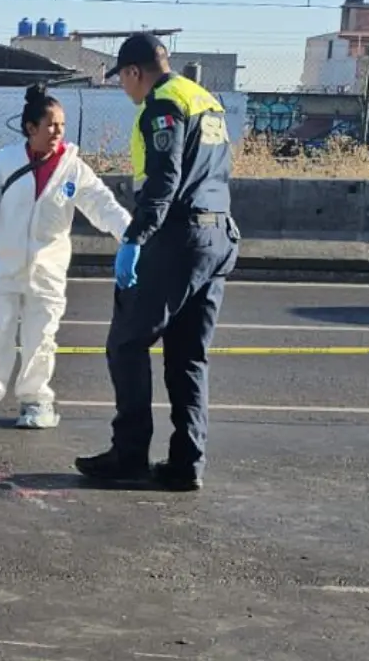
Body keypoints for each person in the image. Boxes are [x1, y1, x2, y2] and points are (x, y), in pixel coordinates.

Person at [75, 33, 241, 492]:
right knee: (188, 357)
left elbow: (164, 179)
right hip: (219, 233)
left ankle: (129, 454)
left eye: (122, 80)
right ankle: (187, 463)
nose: (124, 90)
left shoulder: (161, 105)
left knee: (126, 344)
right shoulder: (205, 99)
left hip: (178, 237)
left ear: (134, 72)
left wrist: (135, 236)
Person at [0, 84, 131, 430]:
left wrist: (133, 237)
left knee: (41, 337)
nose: (58, 131)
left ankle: (36, 400)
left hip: (48, 270)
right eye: (51, 125)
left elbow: (103, 205)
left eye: (61, 124)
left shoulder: (73, 169)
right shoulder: (3, 162)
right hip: (3, 265)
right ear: (31, 128)